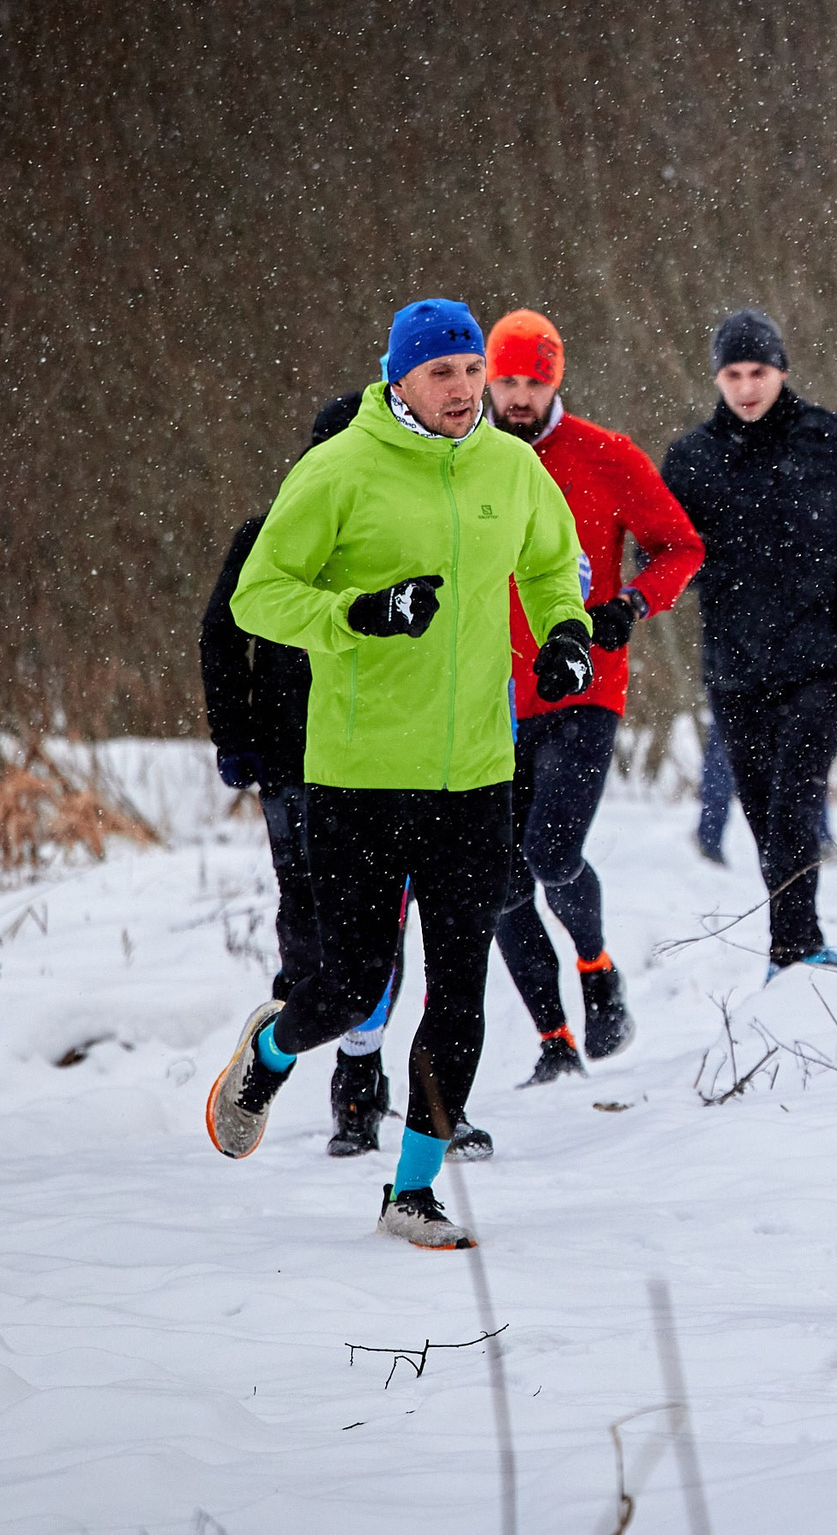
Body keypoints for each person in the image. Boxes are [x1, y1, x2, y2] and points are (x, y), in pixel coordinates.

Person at [206, 298, 594, 1252]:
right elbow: (259, 595)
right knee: (346, 990)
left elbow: (554, 567)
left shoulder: (511, 464)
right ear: (400, 380)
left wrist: (566, 637)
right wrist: (357, 615)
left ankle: (411, 1191)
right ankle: (269, 1049)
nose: (465, 390)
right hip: (360, 775)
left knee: (460, 995)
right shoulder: (337, 469)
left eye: (473, 370)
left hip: (475, 776)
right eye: (443, 374)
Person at [201, 392, 444, 1159]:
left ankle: (358, 1075)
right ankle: (293, 1013)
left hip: (378, 761)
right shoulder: (267, 534)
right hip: (286, 759)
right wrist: (233, 736)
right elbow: (221, 636)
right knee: (307, 906)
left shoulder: (402, 540)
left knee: (378, 921)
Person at [485, 309, 705, 1086]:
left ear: (555, 381)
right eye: (505, 380)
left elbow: (681, 546)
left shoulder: (605, 454)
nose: (516, 396)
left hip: (584, 684)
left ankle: (598, 966)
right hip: (485, 697)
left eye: (531, 382)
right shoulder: (460, 460)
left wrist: (632, 605)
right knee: (500, 879)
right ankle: (554, 1040)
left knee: (549, 852)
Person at [662, 309, 837, 979]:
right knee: (760, 811)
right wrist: (704, 578)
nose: (747, 387)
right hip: (735, 665)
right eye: (734, 374)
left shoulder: (827, 436)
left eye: (759, 372)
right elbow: (662, 543)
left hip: (821, 655)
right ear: (717, 377)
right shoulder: (692, 458)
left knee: (795, 800)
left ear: (782, 372)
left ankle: (793, 948)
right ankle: (797, 939)